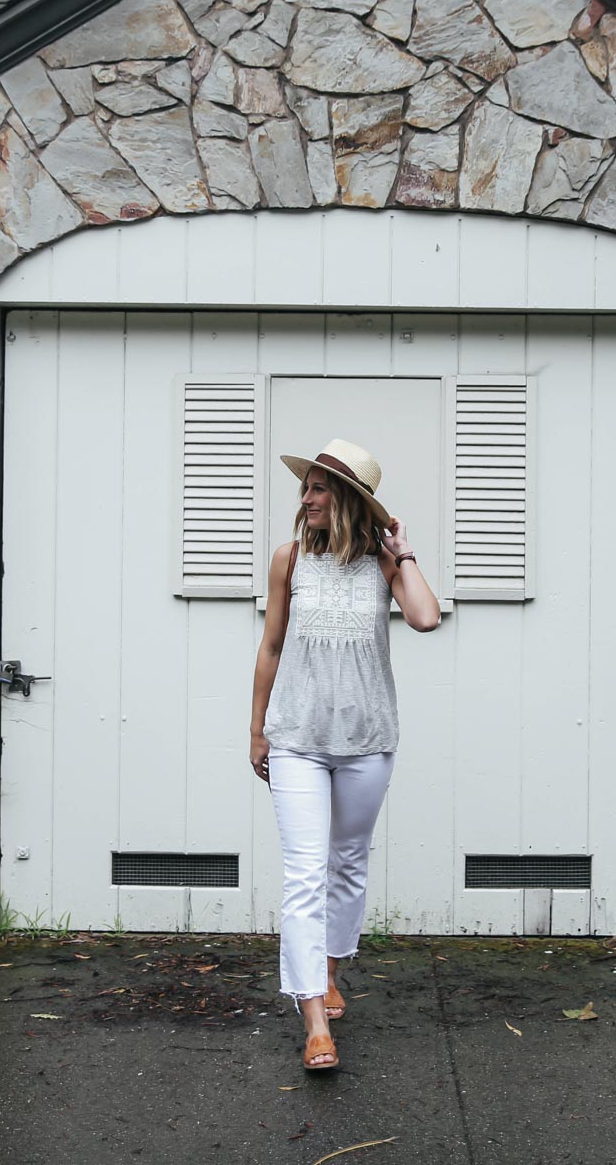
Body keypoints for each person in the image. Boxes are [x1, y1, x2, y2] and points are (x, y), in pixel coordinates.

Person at [249, 438, 441, 1072]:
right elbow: (271, 648)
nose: (305, 500)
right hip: (298, 740)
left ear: (349, 500)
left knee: (348, 863)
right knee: (304, 875)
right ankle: (313, 1023)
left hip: (366, 742)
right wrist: (258, 730)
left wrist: (403, 552)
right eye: (304, 489)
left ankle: (331, 972)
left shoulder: (382, 567)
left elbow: (425, 618)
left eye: (319, 489)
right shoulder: (289, 561)